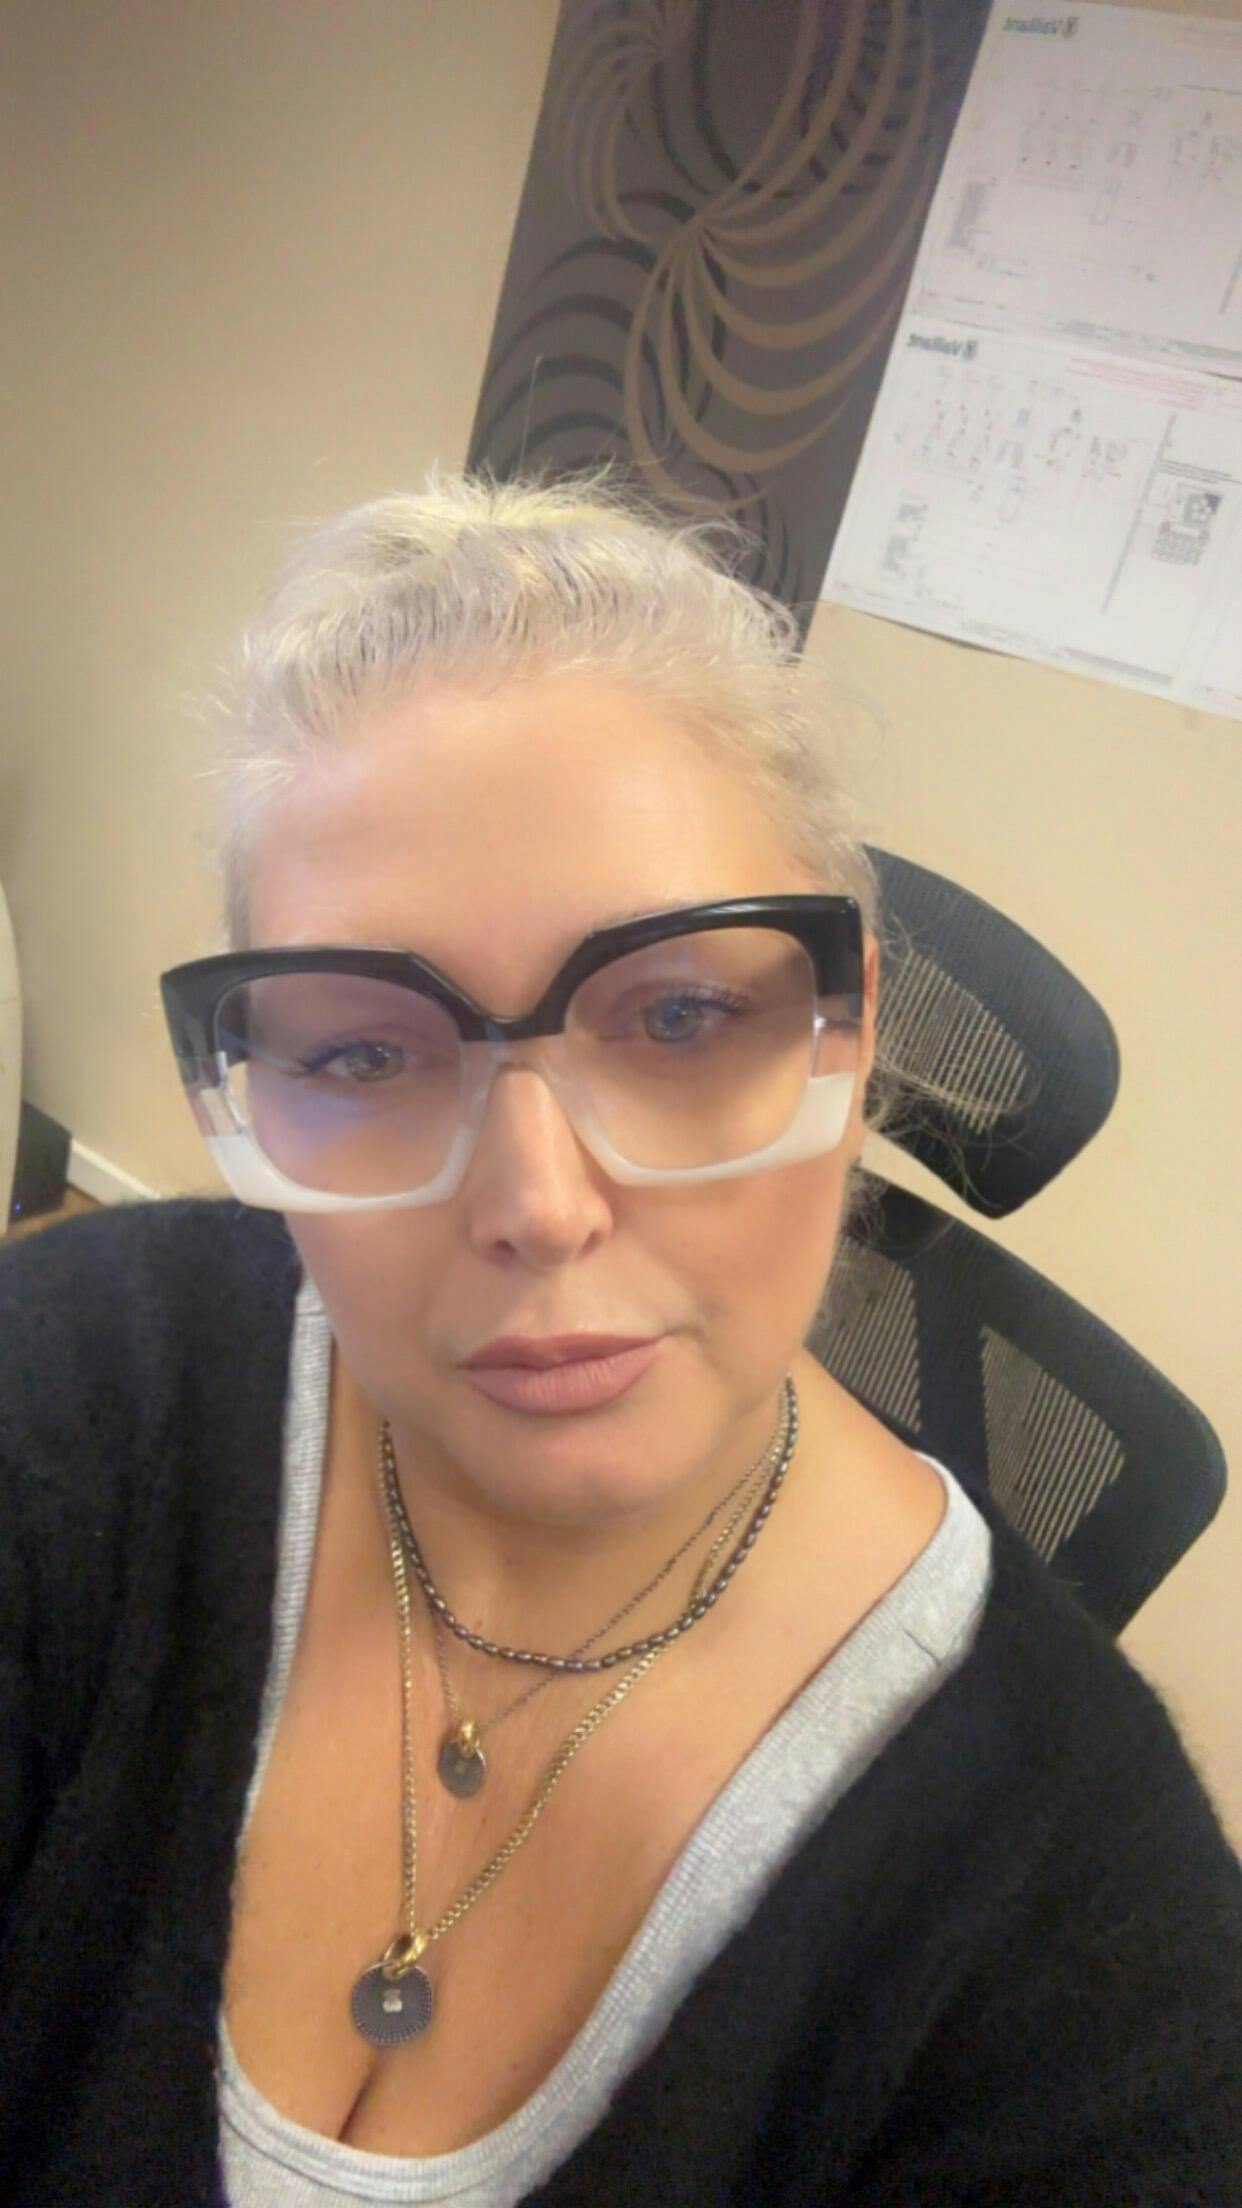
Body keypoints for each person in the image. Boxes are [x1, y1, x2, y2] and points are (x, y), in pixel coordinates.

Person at [1, 472, 1239, 2208]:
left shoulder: (1084, 1922)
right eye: (363, 1054)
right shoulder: (82, 1393)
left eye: (677, 1017)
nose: (538, 1204)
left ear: (846, 1041)